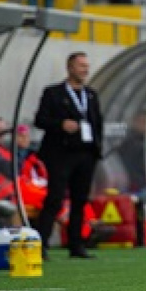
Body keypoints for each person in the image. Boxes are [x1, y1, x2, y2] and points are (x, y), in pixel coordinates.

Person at [33, 52, 103, 258]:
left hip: (86, 154)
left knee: (80, 200)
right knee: (54, 198)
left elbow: (98, 123)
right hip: (61, 154)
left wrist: (97, 149)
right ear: (70, 68)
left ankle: (76, 244)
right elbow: (40, 120)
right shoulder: (53, 93)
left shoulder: (91, 95)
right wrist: (60, 124)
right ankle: (41, 243)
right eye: (81, 65)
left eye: (86, 66)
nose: (85, 69)